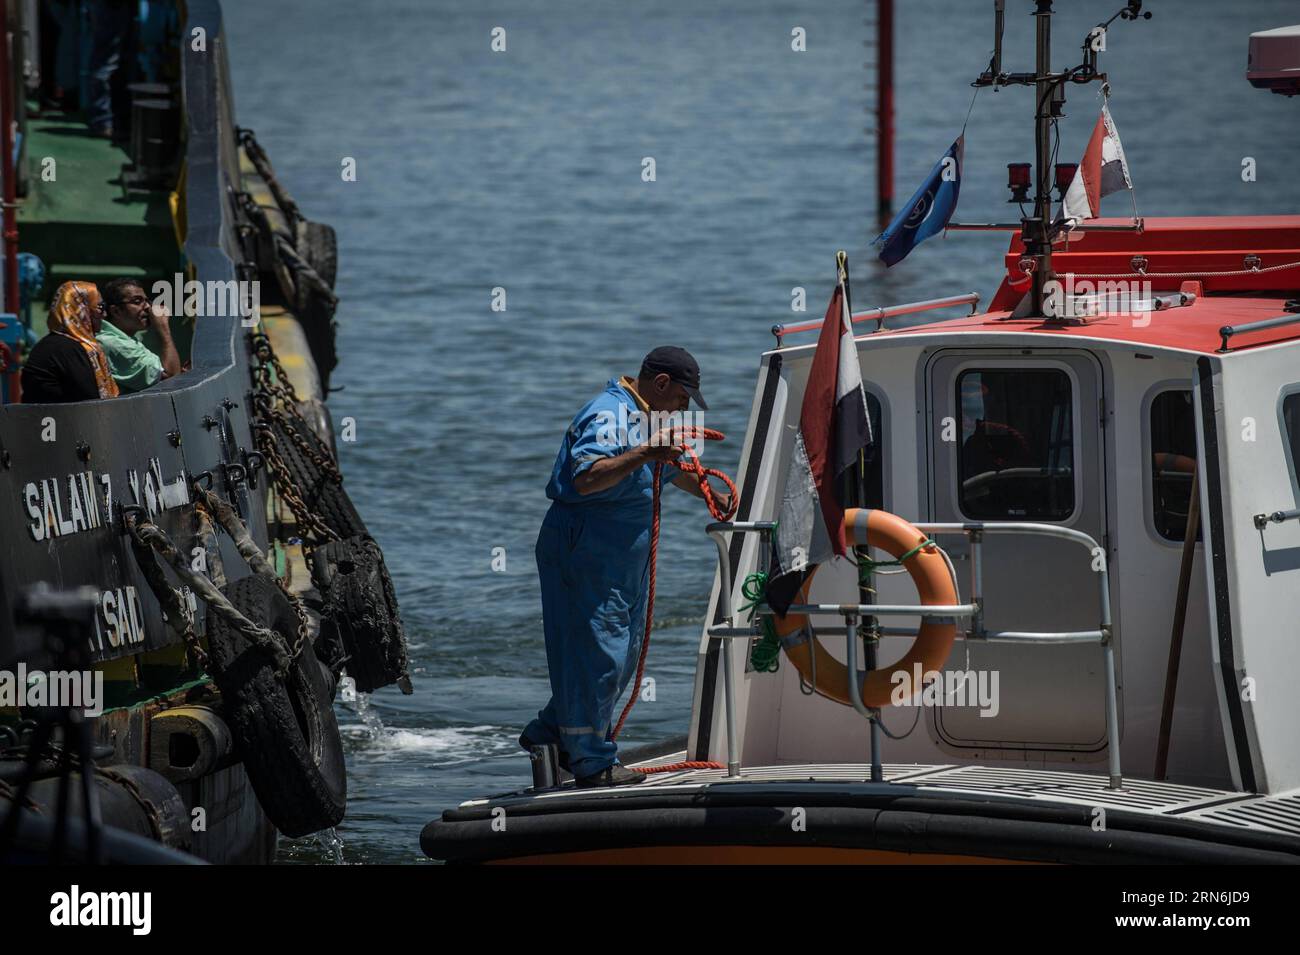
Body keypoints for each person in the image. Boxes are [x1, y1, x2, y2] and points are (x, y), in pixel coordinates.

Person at [520, 346, 732, 788]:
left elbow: (673, 469)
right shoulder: (607, 415)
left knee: (621, 655)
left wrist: (720, 498)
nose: (684, 407)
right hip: (584, 551)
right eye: (682, 397)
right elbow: (587, 477)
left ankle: (552, 731)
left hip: (618, 559)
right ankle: (593, 763)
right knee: (600, 657)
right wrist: (644, 454)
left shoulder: (650, 418)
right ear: (660, 385)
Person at [21, 281, 119, 403]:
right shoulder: (66, 348)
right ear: (80, 309)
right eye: (100, 307)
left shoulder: (65, 344)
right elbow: (91, 400)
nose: (104, 314)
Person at [96, 278, 181, 392]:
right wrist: (163, 329)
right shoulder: (115, 344)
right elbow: (171, 379)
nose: (147, 307)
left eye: (147, 301)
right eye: (137, 301)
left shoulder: (125, 336)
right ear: (116, 311)